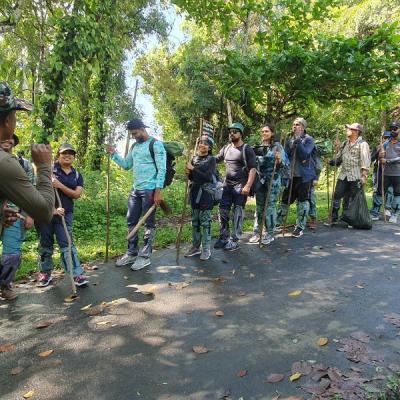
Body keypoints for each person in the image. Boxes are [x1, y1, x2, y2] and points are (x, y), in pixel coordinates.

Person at [0, 82, 54, 300]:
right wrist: (44, 166)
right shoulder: (4, 162)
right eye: (15, 116)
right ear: (6, 120)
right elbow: (45, 211)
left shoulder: (15, 163)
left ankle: (5, 284)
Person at [107, 119, 166, 270]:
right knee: (131, 220)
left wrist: (158, 192)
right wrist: (114, 154)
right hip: (136, 189)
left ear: (142, 129)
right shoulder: (134, 146)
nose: (133, 136)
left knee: (148, 222)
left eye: (135, 133)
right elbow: (127, 165)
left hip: (150, 189)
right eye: (131, 134)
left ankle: (145, 256)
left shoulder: (156, 145)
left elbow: (162, 169)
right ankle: (132, 252)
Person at [36, 143, 88, 287]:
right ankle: (45, 273)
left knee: (67, 244)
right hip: (45, 214)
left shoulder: (77, 174)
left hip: (65, 214)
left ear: (74, 157)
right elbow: (37, 191)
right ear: (58, 155)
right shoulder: (49, 170)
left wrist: (60, 185)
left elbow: (77, 194)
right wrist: (52, 209)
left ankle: (76, 274)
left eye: (71, 153)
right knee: (45, 244)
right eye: (64, 153)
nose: (68, 155)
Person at [0, 135, 35, 300]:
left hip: (15, 215)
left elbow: (31, 192)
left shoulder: (24, 164)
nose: (6, 140)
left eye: (10, 138)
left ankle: (5, 285)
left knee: (13, 254)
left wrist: (29, 215)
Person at [214, 122, 257, 251]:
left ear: (240, 134)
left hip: (241, 186)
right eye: (230, 131)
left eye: (235, 131)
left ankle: (235, 239)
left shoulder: (247, 149)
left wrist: (248, 186)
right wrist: (199, 159)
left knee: (238, 212)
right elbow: (215, 159)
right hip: (227, 185)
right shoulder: (226, 148)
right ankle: (223, 237)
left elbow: (253, 169)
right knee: (223, 211)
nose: (231, 134)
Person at [278, 117, 316, 238]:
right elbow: (286, 156)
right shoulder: (290, 140)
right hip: (291, 175)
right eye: (294, 124)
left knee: (302, 201)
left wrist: (298, 141)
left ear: (303, 127)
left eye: (298, 125)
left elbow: (305, 154)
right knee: (285, 200)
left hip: (304, 176)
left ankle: (299, 226)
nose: (295, 126)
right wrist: (289, 146)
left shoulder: (309, 140)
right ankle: (277, 222)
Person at [249, 124, 286, 245]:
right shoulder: (258, 147)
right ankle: (257, 231)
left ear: (272, 133)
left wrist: (279, 160)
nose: (264, 133)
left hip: (273, 180)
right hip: (260, 180)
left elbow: (285, 164)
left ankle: (270, 233)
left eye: (267, 131)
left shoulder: (277, 147)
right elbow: (253, 163)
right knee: (259, 206)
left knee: (269, 206)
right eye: (263, 131)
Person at [330, 123, 370, 223]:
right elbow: (338, 158)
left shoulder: (363, 144)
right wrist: (335, 153)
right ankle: (334, 218)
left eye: (349, 128)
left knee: (353, 199)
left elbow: (365, 161)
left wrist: (364, 176)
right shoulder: (344, 143)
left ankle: (350, 219)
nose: (347, 129)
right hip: (343, 175)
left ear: (356, 131)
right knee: (336, 196)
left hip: (356, 176)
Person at [184, 136, 217, 260]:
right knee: (195, 221)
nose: (202, 145)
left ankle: (206, 248)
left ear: (209, 147)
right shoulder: (194, 158)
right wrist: (188, 173)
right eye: (201, 143)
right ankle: (196, 247)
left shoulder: (211, 159)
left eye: (205, 144)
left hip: (206, 193)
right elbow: (193, 178)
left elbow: (208, 177)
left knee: (205, 221)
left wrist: (193, 169)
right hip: (194, 192)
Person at [377, 121, 400, 223]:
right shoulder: (386, 143)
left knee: (397, 194)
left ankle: (395, 214)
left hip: (398, 174)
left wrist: (388, 160)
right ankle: (374, 212)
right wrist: (381, 155)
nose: (392, 130)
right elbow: (381, 155)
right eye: (391, 128)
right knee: (379, 192)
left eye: (395, 129)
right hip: (385, 173)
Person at [370, 130, 392, 220]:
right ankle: (375, 211)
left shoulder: (393, 147)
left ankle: (387, 209)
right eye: (384, 138)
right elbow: (371, 158)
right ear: (382, 138)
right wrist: (378, 151)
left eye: (388, 138)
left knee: (390, 191)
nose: (386, 139)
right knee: (377, 190)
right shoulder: (377, 147)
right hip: (378, 172)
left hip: (390, 173)